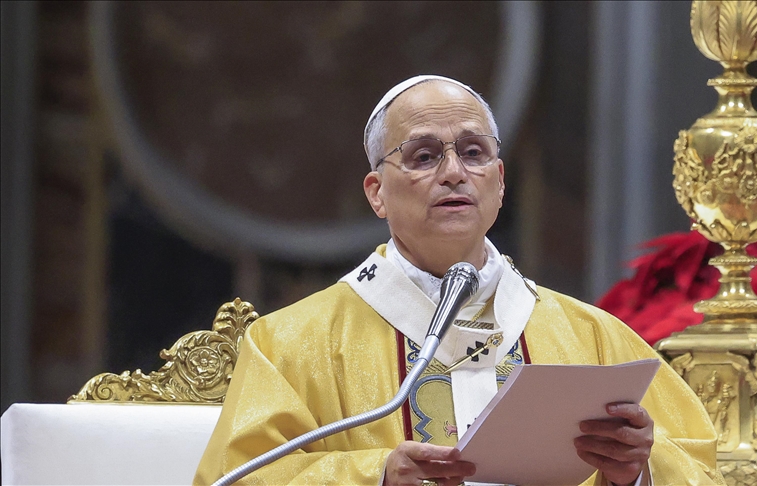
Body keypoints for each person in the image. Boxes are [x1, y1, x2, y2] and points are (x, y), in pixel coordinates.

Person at [194, 75, 723, 486]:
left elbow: (702, 465)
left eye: (473, 153)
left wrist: (637, 471)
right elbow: (233, 478)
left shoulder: (593, 338)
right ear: (376, 192)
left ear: (499, 182)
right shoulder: (290, 347)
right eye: (424, 156)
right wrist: (374, 474)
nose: (454, 172)